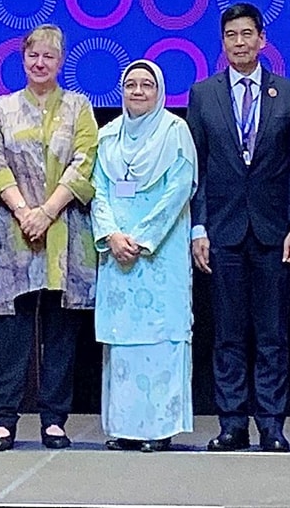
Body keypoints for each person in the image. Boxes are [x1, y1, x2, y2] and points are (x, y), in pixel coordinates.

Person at [0, 24, 99, 452]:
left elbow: (84, 162)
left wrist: (47, 212)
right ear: (23, 59)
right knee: (10, 333)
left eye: (48, 56)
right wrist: (25, 212)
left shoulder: (79, 107)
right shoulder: (3, 108)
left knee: (60, 334)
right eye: (33, 56)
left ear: (60, 61)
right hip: (12, 233)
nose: (40, 63)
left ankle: (54, 420)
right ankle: (3, 420)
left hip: (65, 232)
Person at [186, 2, 290, 453]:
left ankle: (271, 425)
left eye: (247, 34)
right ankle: (232, 424)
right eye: (231, 35)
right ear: (223, 42)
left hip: (274, 231)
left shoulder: (288, 94)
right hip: (223, 230)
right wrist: (199, 227)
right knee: (228, 335)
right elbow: (195, 167)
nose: (240, 42)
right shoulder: (203, 94)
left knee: (272, 335)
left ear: (262, 39)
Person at [92, 59, 199, 452]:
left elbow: (179, 191)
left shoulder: (175, 132)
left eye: (146, 85)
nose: (138, 92)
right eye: (131, 85)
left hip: (159, 256)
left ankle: (158, 430)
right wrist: (112, 235)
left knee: (160, 342)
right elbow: (97, 192)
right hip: (117, 255)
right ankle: (125, 429)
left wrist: (141, 239)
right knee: (122, 345)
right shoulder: (107, 136)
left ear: (159, 91)